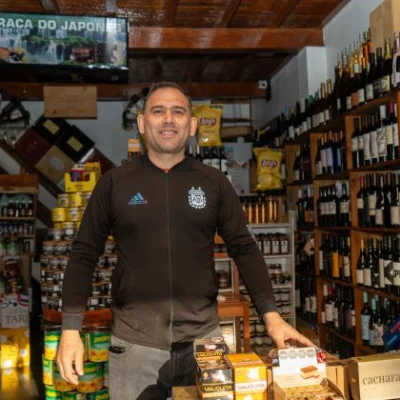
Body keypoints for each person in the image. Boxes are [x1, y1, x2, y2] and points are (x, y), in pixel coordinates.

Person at [57, 81, 314, 399]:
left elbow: (244, 248)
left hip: (205, 343)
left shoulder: (214, 182)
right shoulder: (114, 183)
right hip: (135, 346)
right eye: (158, 111)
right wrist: (71, 328)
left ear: (191, 125)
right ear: (142, 123)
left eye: (178, 112)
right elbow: (83, 254)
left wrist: (272, 317)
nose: (168, 119)